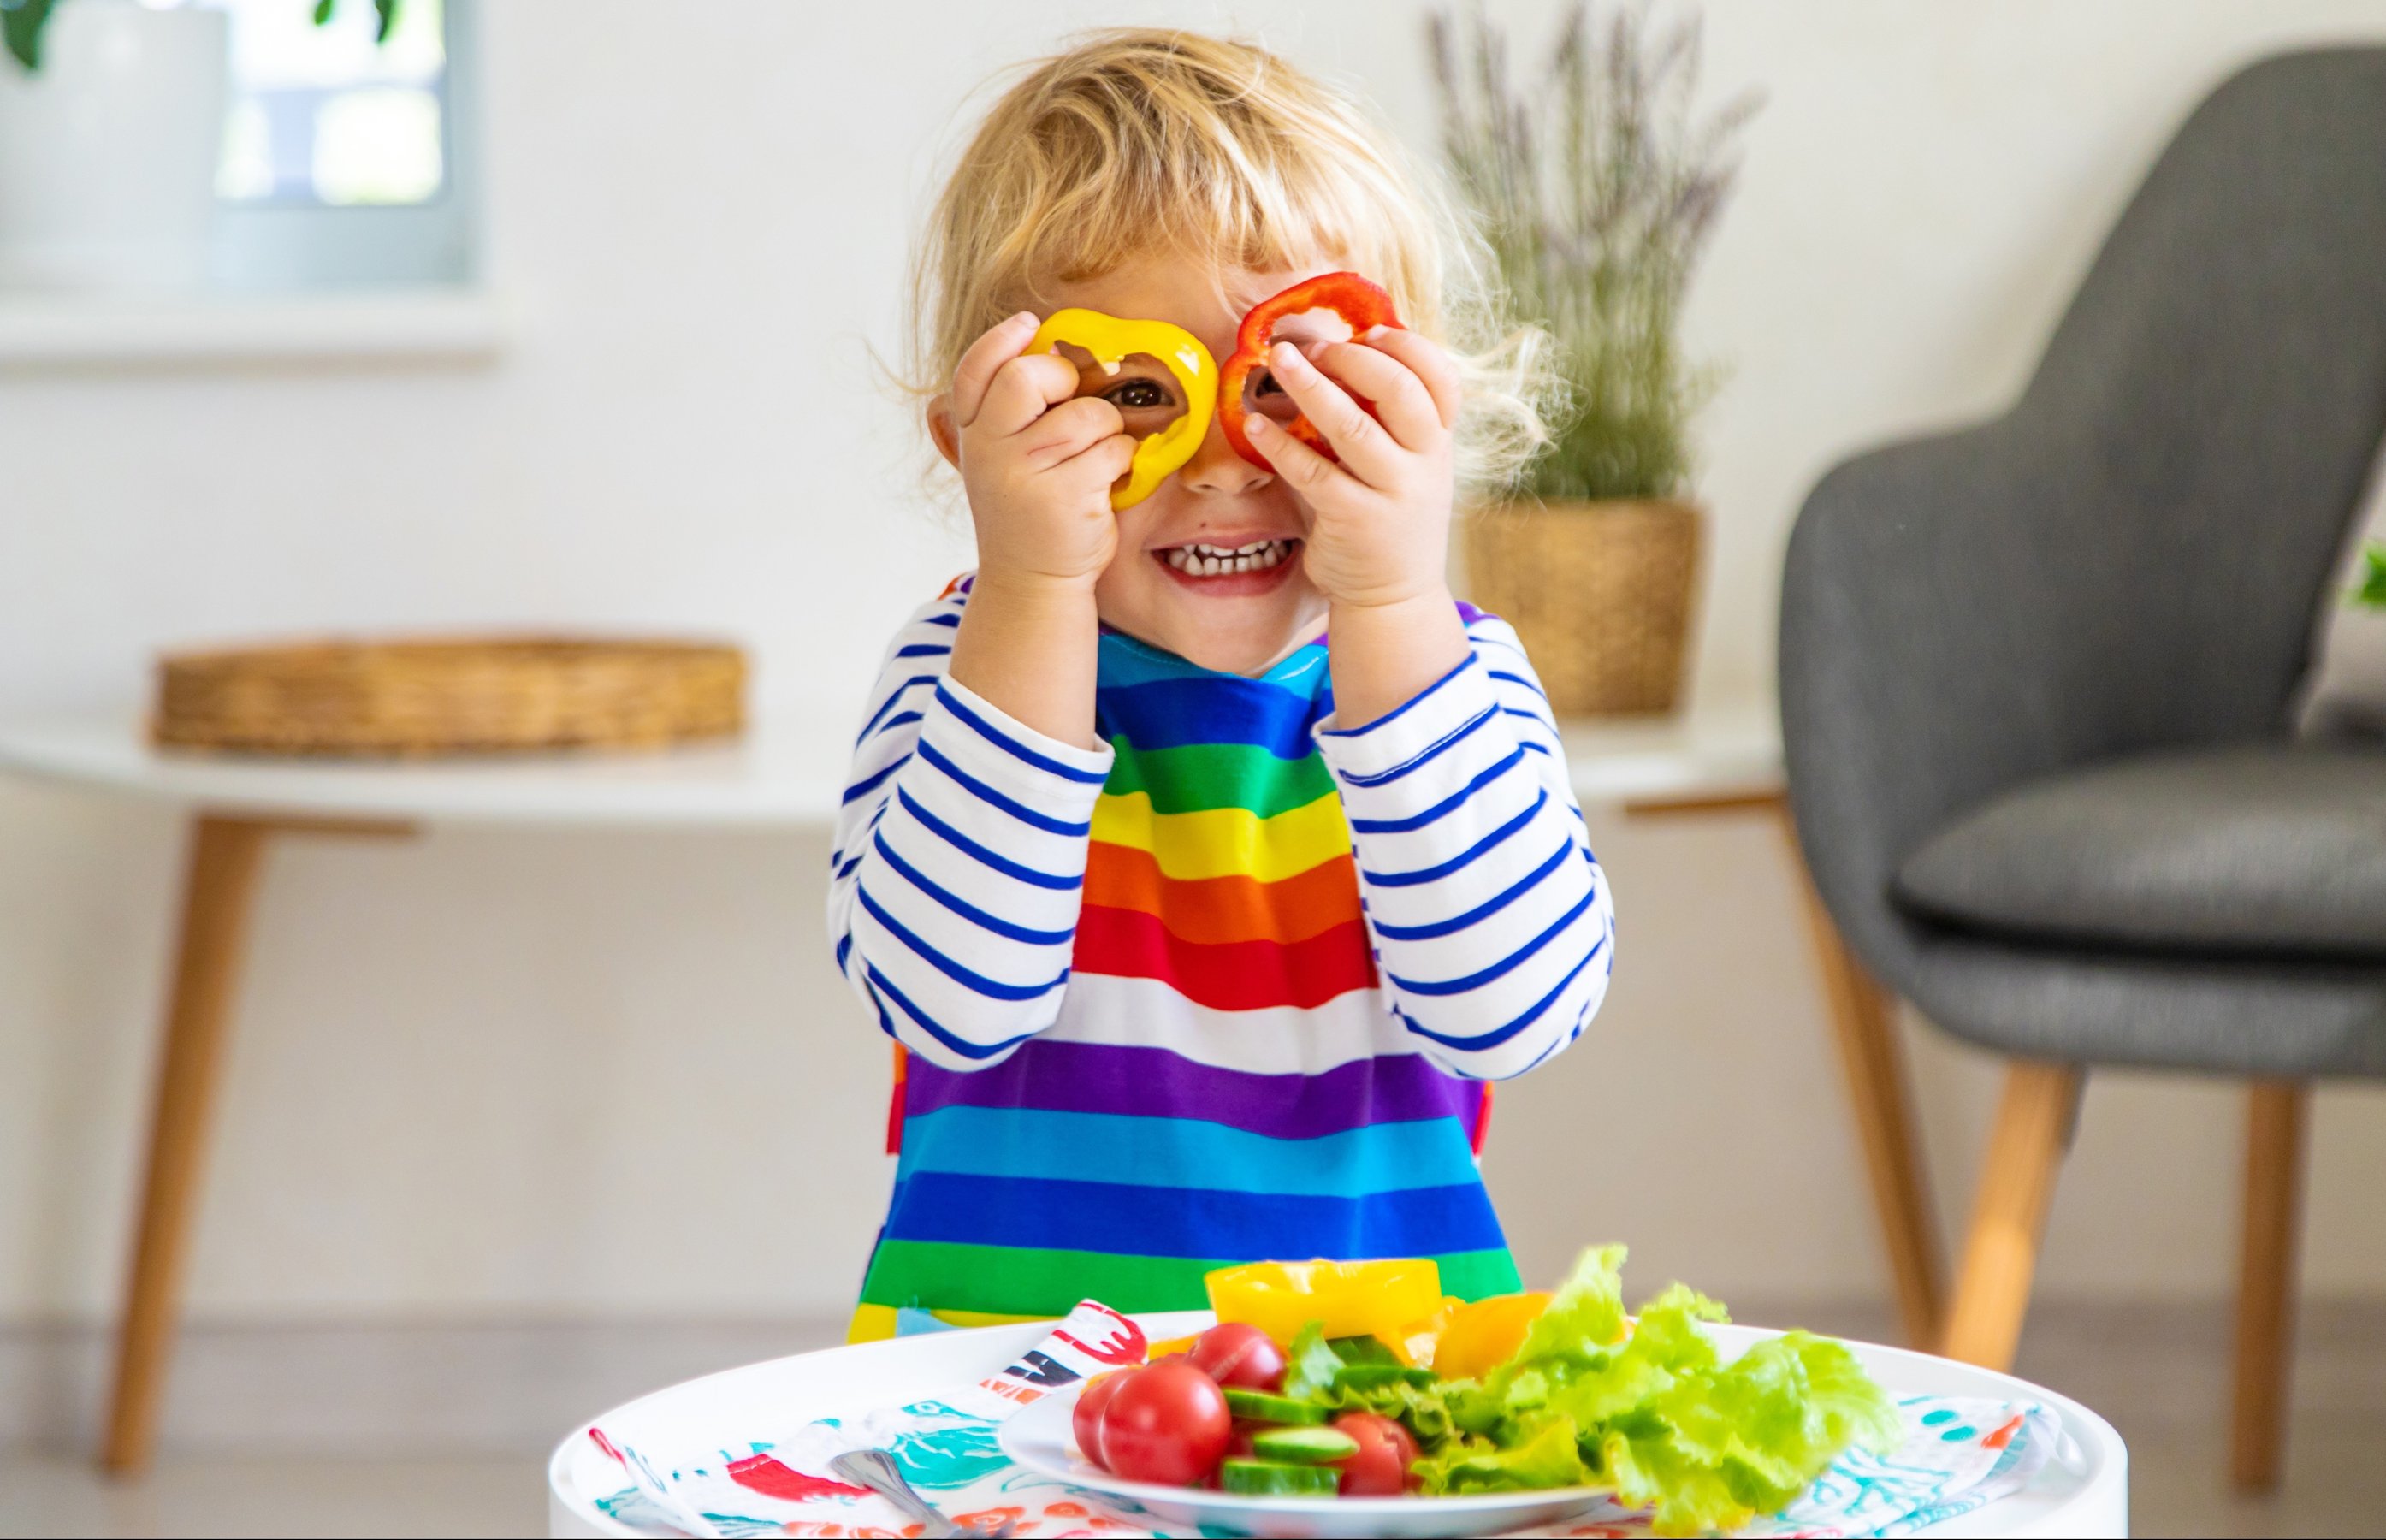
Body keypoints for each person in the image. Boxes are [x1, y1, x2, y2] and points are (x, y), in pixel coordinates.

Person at [831, 28, 1615, 1341]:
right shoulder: (961, 670)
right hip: (999, 1385)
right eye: (1136, 394)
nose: (1222, 464)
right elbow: (945, 1001)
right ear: (977, 444)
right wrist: (1028, 588)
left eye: (1290, 388)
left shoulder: (1455, 676)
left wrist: (1390, 602)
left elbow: (1512, 1012)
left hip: (1374, 1385)